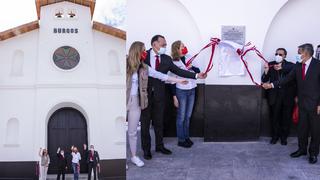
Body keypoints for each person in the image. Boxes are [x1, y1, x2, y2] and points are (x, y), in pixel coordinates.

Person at [140, 35, 207, 160]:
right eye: (163, 44)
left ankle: (160, 146)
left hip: (160, 94)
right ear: (154, 44)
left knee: (159, 122)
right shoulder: (143, 56)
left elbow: (179, 71)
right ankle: (146, 150)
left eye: (166, 44)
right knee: (145, 124)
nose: (165, 47)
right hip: (145, 95)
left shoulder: (166, 59)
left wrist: (197, 75)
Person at [126, 41, 189, 167]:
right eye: (143, 50)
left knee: (132, 131)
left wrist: (179, 80)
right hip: (123, 99)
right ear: (137, 51)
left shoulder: (144, 67)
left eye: (145, 50)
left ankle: (133, 156)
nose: (145, 53)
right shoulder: (125, 64)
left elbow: (161, 76)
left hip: (137, 101)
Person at [262, 43, 320, 164]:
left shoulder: (318, 65)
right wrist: (271, 85)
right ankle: (302, 149)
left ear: (306, 53)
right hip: (302, 103)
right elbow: (286, 79)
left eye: (299, 52)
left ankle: (313, 153)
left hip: (315, 104)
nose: (298, 55)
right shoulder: (298, 66)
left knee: (315, 130)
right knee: (302, 129)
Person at [169, 40, 200, 148]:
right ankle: (181, 139)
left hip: (192, 89)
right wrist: (174, 97)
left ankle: (186, 137)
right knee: (181, 116)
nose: (185, 47)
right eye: (182, 46)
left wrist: (191, 67)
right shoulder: (173, 62)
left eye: (184, 45)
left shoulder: (189, 57)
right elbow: (172, 80)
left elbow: (198, 70)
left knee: (188, 116)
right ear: (177, 49)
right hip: (181, 90)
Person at [262, 48, 296, 145]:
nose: (278, 55)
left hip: (287, 96)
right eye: (276, 54)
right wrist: (266, 71)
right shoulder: (270, 64)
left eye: (280, 54)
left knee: (286, 117)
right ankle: (275, 136)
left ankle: (284, 137)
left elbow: (293, 73)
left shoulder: (290, 65)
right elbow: (264, 79)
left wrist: (282, 68)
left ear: (285, 56)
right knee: (274, 117)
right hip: (274, 95)